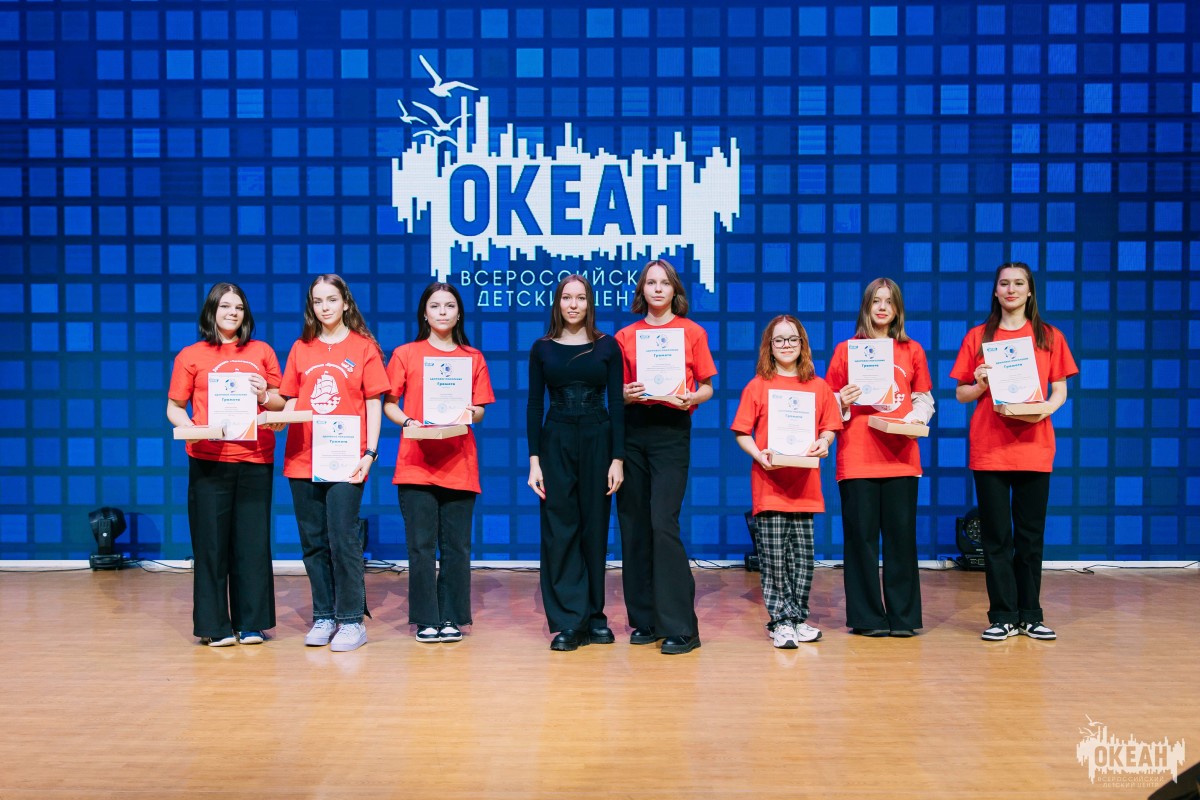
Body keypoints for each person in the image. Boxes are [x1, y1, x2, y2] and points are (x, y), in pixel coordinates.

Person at [950, 262, 1078, 642]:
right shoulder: (978, 337)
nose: (1011, 289)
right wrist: (979, 384)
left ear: (1029, 290)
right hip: (990, 449)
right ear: (995, 291)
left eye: (1018, 283)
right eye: (1004, 283)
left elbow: (1060, 389)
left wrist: (1045, 409)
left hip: (1035, 447)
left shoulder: (1049, 336)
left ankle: (1031, 614)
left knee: (1030, 537)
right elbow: (961, 394)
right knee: (996, 538)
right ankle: (1003, 615)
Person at [167, 282, 284, 647]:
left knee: (252, 544)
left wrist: (264, 394)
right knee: (211, 544)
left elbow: (280, 402)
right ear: (212, 312)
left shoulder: (262, 351)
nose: (233, 313)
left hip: (255, 459)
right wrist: (191, 427)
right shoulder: (191, 355)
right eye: (225, 306)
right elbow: (174, 407)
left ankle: (252, 623)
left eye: (239, 307)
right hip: (208, 461)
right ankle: (215, 625)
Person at [280, 275, 390, 652]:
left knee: (343, 539)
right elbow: (291, 399)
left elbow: (373, 402)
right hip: (303, 457)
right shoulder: (301, 348)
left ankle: (351, 620)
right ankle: (324, 615)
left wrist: (370, 453)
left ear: (345, 302)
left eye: (331, 299)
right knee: (313, 542)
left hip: (346, 459)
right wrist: (279, 417)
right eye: (317, 301)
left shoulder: (363, 348)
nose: (324, 307)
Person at [614, 258, 716, 655]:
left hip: (672, 430)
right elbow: (616, 391)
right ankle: (646, 619)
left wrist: (692, 397)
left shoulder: (692, 332)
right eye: (651, 283)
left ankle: (681, 626)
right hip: (633, 430)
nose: (657, 289)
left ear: (675, 290)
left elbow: (707, 386)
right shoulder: (625, 336)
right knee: (634, 525)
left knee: (662, 522)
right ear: (642, 290)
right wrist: (624, 395)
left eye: (664, 283)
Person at [383, 282, 493, 644]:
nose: (442, 312)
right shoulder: (405, 353)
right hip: (416, 462)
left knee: (457, 547)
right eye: (435, 305)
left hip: (459, 462)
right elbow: (390, 404)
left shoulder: (473, 357)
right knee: (421, 547)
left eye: (449, 306)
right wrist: (408, 421)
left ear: (459, 314)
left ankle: (451, 617)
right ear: (424, 313)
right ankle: (426, 619)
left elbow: (480, 409)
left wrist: (470, 412)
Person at [825, 278, 935, 638]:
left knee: (902, 539)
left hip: (901, 456)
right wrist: (842, 399)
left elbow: (923, 398)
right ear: (866, 307)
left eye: (889, 301)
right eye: (876, 301)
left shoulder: (912, 350)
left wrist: (914, 419)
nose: (882, 307)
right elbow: (827, 403)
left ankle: (903, 617)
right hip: (857, 457)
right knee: (861, 541)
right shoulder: (846, 350)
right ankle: (867, 618)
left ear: (898, 308)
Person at [731, 315, 842, 648]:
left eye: (793, 339)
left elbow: (830, 427)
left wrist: (824, 442)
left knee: (803, 561)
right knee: (774, 559)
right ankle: (780, 621)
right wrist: (759, 454)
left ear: (802, 344)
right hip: (770, 485)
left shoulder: (818, 386)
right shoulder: (758, 385)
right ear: (769, 346)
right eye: (779, 340)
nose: (786, 345)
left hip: (805, 485)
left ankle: (797, 618)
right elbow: (742, 431)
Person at [526, 275, 625, 651]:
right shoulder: (542, 348)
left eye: (580, 298)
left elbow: (617, 404)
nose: (573, 304)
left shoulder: (607, 346)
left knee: (594, 529)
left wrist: (618, 458)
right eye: (566, 298)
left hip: (599, 438)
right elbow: (534, 405)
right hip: (556, 440)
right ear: (557, 303)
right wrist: (534, 461)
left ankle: (595, 616)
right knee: (560, 530)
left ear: (589, 303)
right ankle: (569, 620)